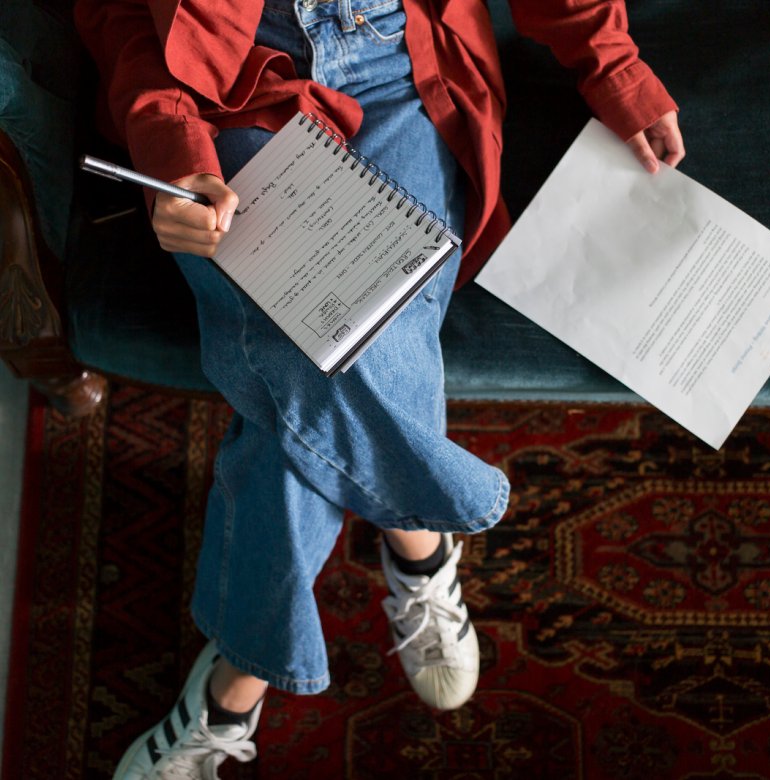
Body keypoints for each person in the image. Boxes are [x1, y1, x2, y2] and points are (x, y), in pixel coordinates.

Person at [74, 0, 685, 777]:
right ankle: (423, 535)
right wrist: (167, 141)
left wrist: (616, 69)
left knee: (346, 346)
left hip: (405, 71)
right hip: (230, 87)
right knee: (325, 342)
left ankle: (240, 680)